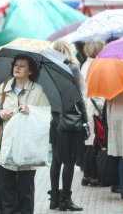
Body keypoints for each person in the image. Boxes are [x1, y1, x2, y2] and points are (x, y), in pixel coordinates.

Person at [0, 54, 50, 214]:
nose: (17, 68)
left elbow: (47, 116)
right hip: (6, 145)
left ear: (30, 71)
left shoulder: (37, 90)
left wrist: (32, 111)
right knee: (6, 188)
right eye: (16, 65)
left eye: (22, 66)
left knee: (26, 191)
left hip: (27, 147)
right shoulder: (3, 88)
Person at [47, 40, 87, 211]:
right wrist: (85, 117)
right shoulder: (73, 68)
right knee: (69, 161)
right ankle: (66, 200)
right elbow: (78, 96)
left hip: (55, 119)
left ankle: (54, 199)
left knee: (56, 160)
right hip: (69, 120)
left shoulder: (49, 70)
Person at [80, 40, 105, 187]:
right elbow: (97, 91)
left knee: (90, 142)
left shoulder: (85, 65)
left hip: (87, 108)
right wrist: (102, 109)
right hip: (94, 109)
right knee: (95, 143)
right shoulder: (96, 65)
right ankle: (92, 175)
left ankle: (88, 175)